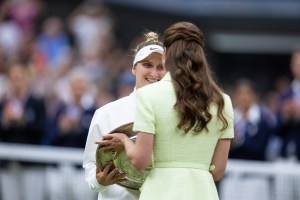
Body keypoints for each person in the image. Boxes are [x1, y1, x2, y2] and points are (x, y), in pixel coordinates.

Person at [99, 21, 234, 200]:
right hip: (203, 193)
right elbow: (217, 171)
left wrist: (125, 140)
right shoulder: (223, 101)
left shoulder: (149, 95)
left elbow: (141, 161)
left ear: (166, 54)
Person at [82, 31, 166, 200]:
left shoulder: (175, 115)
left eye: (161, 67)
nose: (154, 73)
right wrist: (99, 181)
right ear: (134, 69)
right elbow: (90, 165)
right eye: (147, 65)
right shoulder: (106, 113)